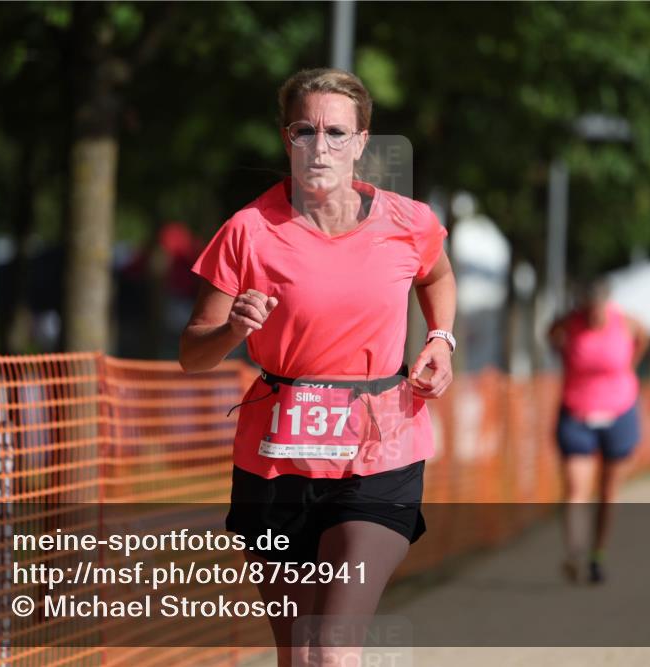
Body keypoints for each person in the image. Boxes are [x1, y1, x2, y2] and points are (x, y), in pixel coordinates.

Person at [179, 68, 456, 666]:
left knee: (334, 648)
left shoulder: (408, 222)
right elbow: (191, 354)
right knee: (300, 652)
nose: (320, 146)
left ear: (361, 142)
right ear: (287, 139)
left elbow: (436, 272)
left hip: (379, 453)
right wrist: (232, 330)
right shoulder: (247, 232)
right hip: (277, 461)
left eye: (336, 132)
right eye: (306, 130)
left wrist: (440, 338)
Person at [548, 278, 650, 584]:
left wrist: (628, 367)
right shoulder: (569, 323)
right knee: (576, 488)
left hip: (619, 410)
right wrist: (566, 360)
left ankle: (598, 555)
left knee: (608, 491)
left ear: (607, 303)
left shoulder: (627, 323)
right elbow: (551, 336)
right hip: (577, 410)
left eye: (597, 309)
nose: (593, 316)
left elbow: (644, 339)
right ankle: (575, 553)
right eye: (587, 310)